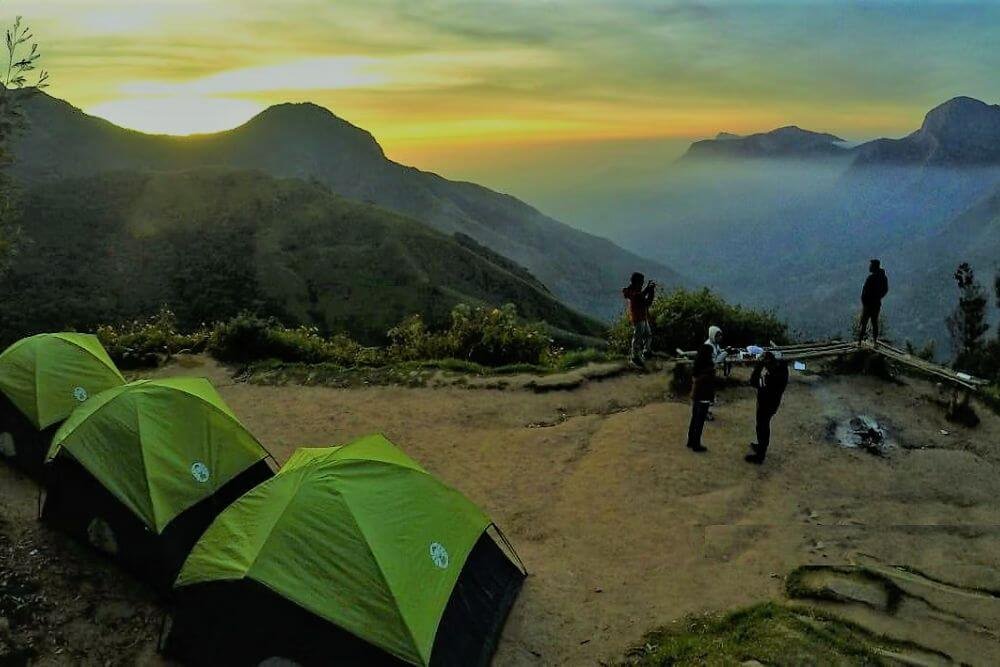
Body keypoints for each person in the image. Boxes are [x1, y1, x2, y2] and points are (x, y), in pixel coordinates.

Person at [687, 325, 726, 453]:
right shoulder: (708, 370)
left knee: (694, 417)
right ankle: (696, 444)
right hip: (703, 396)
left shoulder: (699, 367)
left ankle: (690, 441)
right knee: (699, 420)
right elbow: (709, 384)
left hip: (696, 394)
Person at [745, 351, 789, 464]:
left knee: (762, 426)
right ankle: (761, 447)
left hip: (766, 404)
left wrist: (758, 366)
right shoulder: (781, 372)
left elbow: (753, 381)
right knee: (763, 425)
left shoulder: (772, 377)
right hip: (773, 403)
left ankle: (760, 454)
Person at [622, 272, 656, 366]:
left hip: (643, 317)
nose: (642, 284)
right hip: (637, 318)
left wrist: (651, 291)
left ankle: (646, 352)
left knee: (647, 335)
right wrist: (648, 289)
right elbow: (638, 297)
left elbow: (647, 302)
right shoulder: (631, 292)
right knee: (638, 337)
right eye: (641, 282)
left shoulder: (636, 291)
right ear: (637, 282)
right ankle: (635, 356)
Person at [858, 259, 889, 344]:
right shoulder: (883, 278)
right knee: (874, 322)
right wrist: (878, 297)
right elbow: (885, 290)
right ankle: (875, 341)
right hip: (876, 303)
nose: (869, 267)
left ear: (874, 267)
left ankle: (859, 342)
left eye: (870, 265)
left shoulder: (871, 278)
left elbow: (865, 291)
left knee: (864, 322)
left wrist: (864, 301)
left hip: (868, 304)